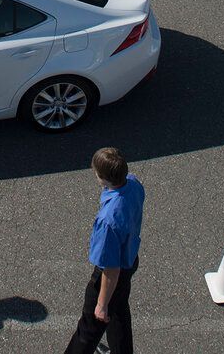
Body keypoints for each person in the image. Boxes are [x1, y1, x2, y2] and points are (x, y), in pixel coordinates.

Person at [64, 147, 143, 354]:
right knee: (119, 314)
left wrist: (101, 304)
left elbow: (111, 270)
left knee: (89, 329)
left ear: (104, 178)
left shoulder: (107, 221)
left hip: (111, 276)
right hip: (130, 260)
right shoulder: (133, 183)